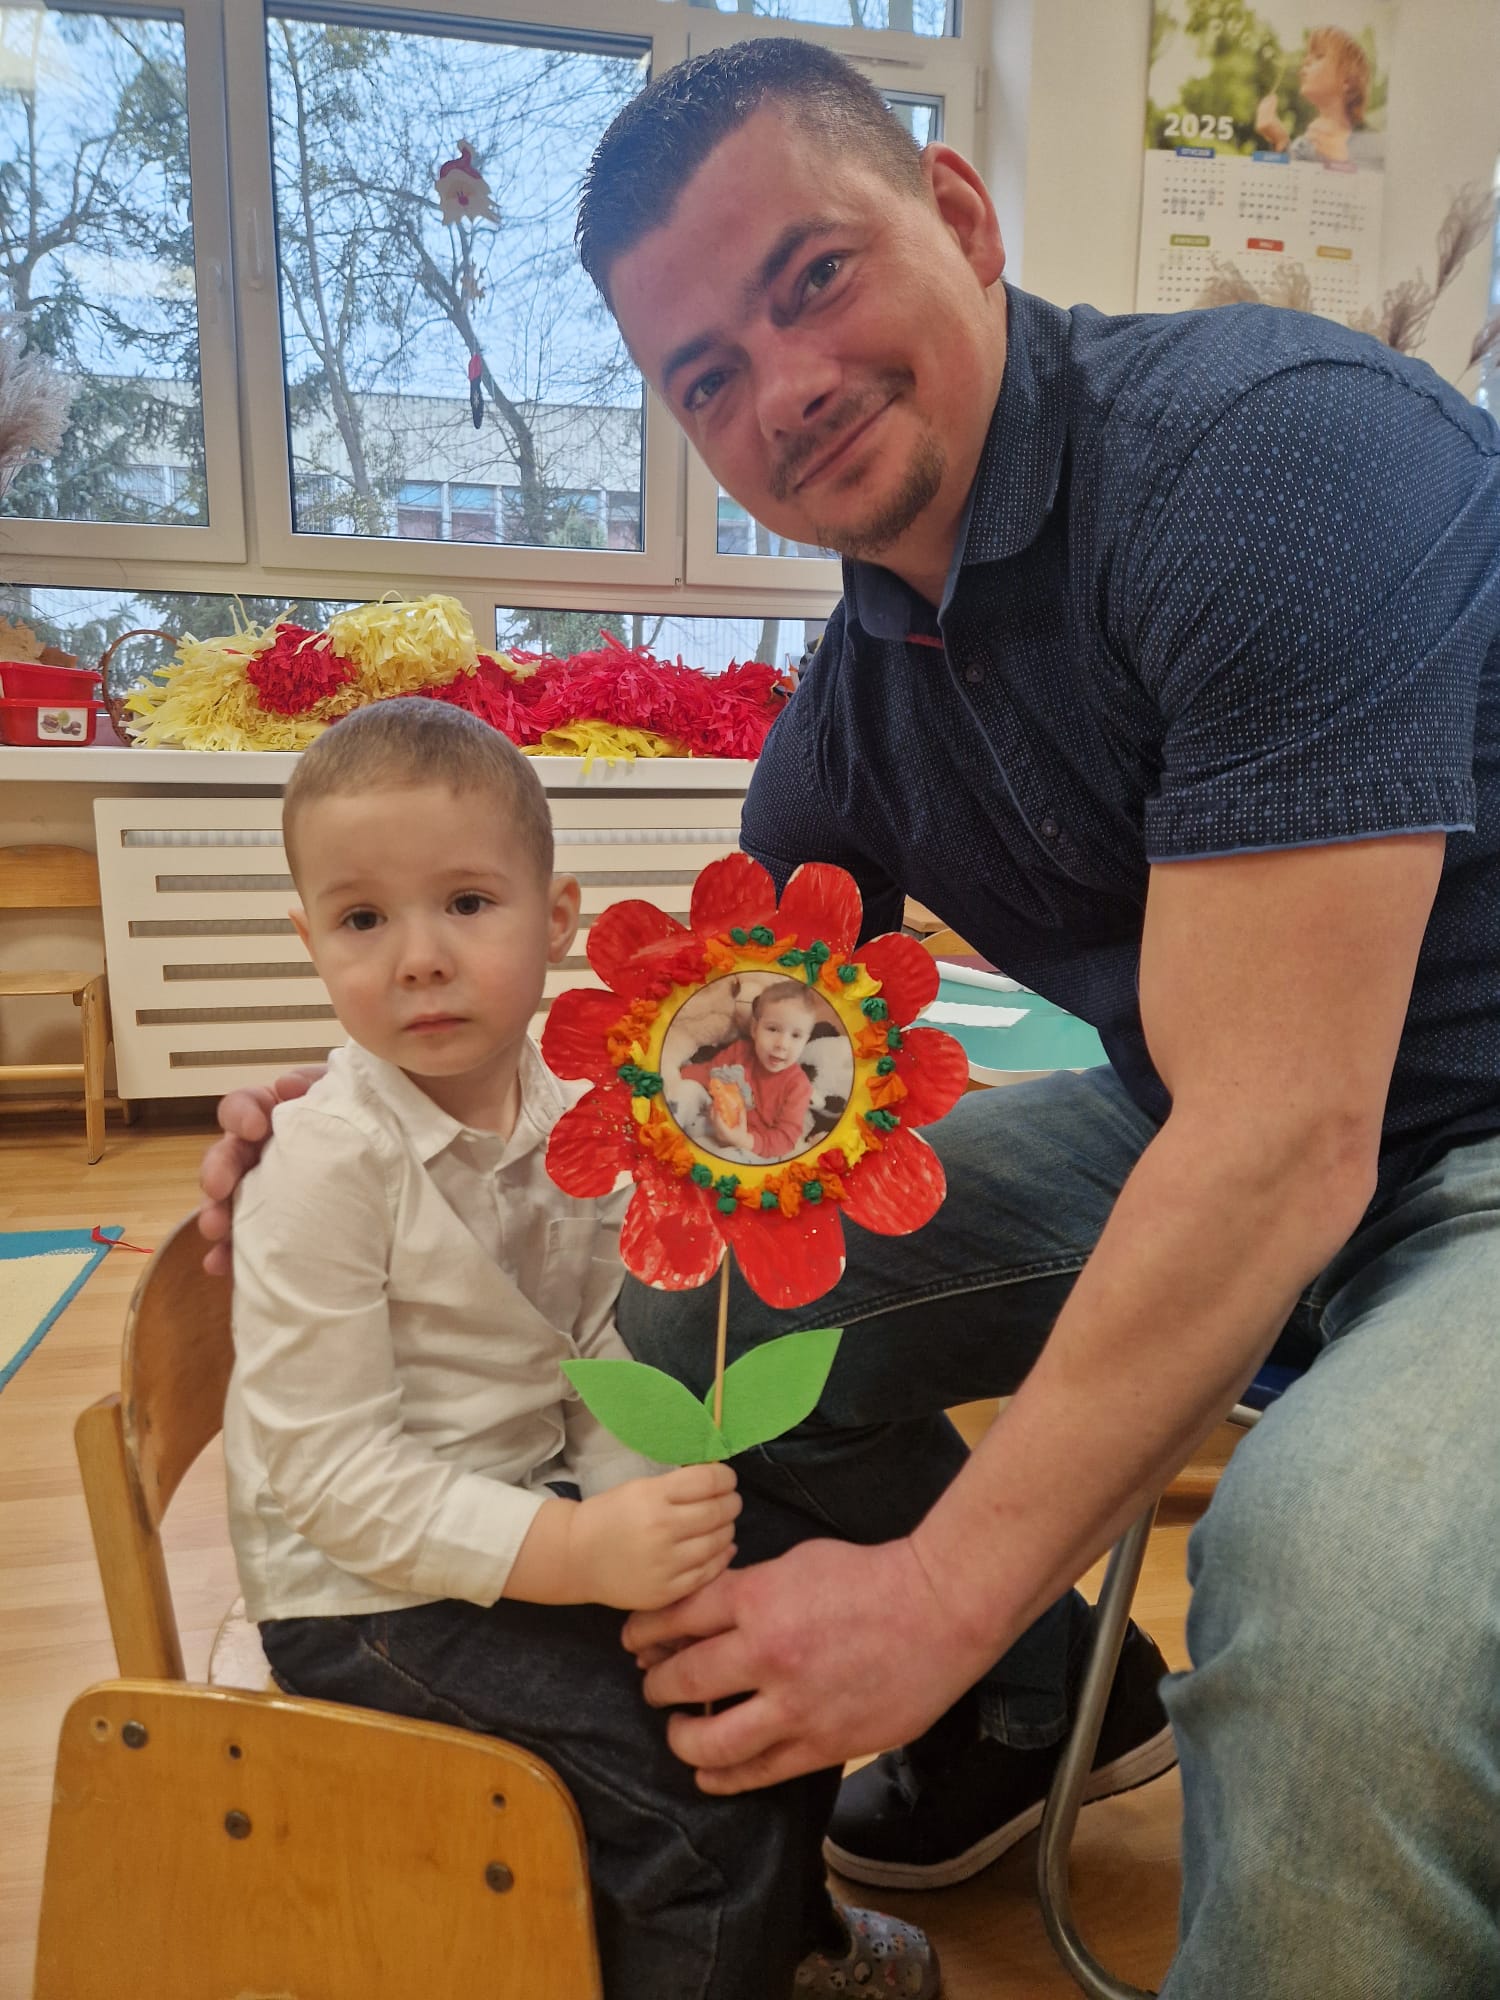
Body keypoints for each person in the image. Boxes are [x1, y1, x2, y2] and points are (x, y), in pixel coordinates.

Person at [200, 37, 1500, 1997]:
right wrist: (379, 1102)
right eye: (704, 375)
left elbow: (1283, 1136)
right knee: (690, 1310)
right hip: (1210, 1116)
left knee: (1337, 1607)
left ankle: (1031, 1683)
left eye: (814, 276)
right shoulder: (857, 712)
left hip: (1429, 1145)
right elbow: (717, 1087)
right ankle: (1042, 1709)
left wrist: (937, 1591)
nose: (783, 386)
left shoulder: (1271, 456)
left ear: (960, 217)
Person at [222, 696, 941, 2000]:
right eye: (363, 919)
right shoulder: (322, 1165)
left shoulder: (582, 1118)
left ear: (556, 918)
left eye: (467, 903)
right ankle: (723, 1929)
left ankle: (782, 1943)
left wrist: (637, 1521)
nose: (420, 959)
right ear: (309, 940)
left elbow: (605, 1346)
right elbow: (327, 1480)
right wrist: (576, 1554)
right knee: (701, 1811)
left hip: (524, 1509)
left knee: (779, 1652)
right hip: (360, 1598)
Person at [679, 977, 818, 1157]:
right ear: (754, 1029)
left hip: (754, 1150)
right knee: (686, 1091)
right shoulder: (740, 1051)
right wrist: (676, 1074)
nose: (782, 1044)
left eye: (796, 1036)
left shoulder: (798, 1086)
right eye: (773, 1029)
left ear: (806, 1041)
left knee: (729, 1157)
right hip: (713, 1125)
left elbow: (785, 1140)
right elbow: (709, 1073)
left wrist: (743, 1140)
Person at [1255, 27, 1379, 166]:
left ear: (1347, 81)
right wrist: (1280, 141)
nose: (1306, 61)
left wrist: (1341, 159)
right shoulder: (1304, 145)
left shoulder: (1374, 143)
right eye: (1307, 56)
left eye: (1319, 56)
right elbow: (1290, 178)